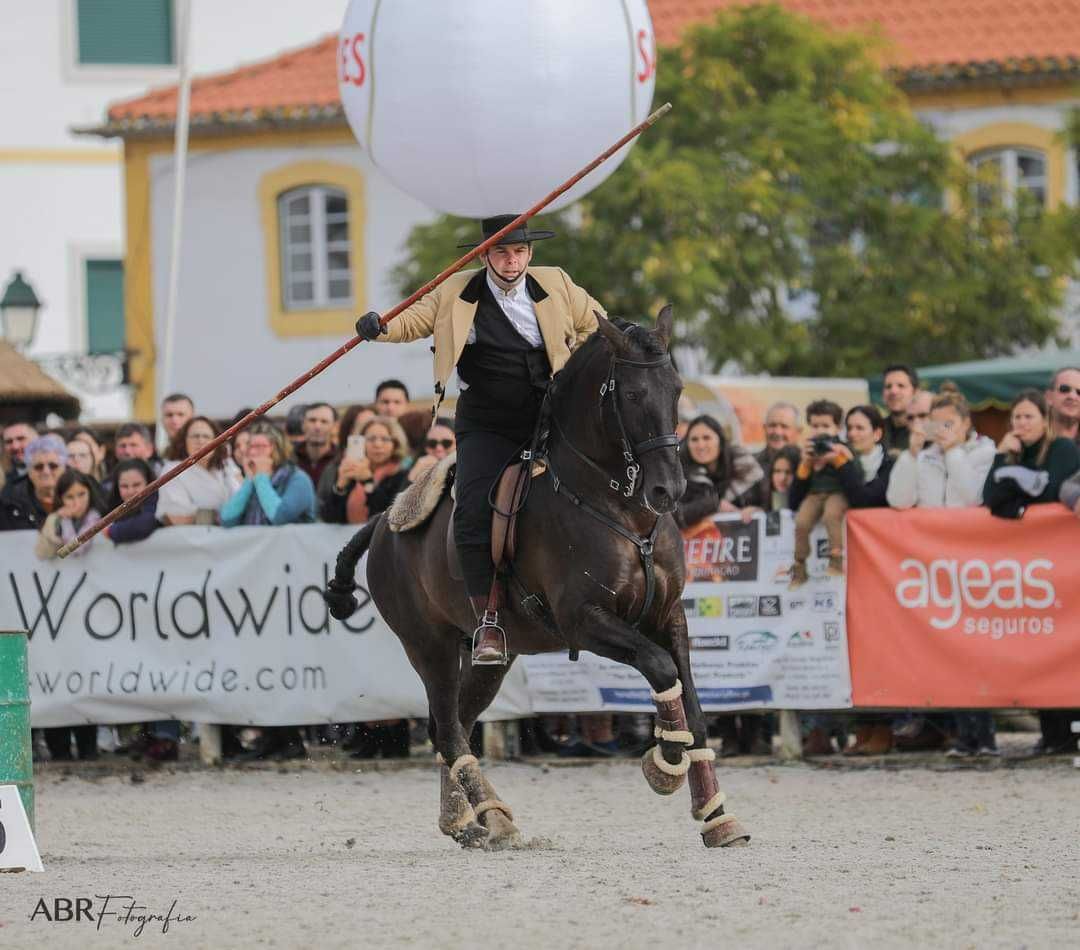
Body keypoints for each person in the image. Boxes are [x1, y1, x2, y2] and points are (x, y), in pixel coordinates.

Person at [354, 213, 602, 664]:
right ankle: (488, 618)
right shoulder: (456, 289)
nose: (512, 261)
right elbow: (413, 320)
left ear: (531, 253)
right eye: (503, 252)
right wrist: (380, 327)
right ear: (485, 254)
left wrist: (574, 365)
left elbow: (598, 325)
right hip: (486, 420)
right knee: (470, 509)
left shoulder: (557, 283)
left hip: (552, 413)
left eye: (520, 251)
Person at [886, 384, 998, 757]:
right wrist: (913, 453)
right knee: (951, 650)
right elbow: (899, 500)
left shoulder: (984, 451)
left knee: (978, 651)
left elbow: (971, 496)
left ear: (967, 423)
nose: (942, 430)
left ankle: (985, 736)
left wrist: (952, 452)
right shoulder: (925, 455)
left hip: (975, 565)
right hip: (934, 565)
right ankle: (963, 736)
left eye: (949, 423)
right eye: (937, 424)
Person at [220, 421, 314, 760]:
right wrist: (251, 481)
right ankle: (271, 734)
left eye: (260, 448)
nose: (252, 453)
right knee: (261, 658)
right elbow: (228, 518)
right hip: (257, 584)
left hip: (291, 583)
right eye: (249, 448)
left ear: (276, 449)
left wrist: (259, 478)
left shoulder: (296, 480)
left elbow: (279, 515)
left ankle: (291, 737)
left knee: (286, 656)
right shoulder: (252, 481)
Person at [789, 402, 894, 589]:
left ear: (877, 434)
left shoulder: (887, 463)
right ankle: (799, 565)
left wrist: (840, 461)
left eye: (860, 428)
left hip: (879, 555)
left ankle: (836, 557)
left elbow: (862, 499)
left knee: (831, 514)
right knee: (801, 521)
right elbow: (793, 502)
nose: (853, 434)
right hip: (849, 563)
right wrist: (805, 464)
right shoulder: (812, 451)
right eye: (850, 428)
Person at [983, 389, 1080, 519]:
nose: (1022, 423)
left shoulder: (1062, 447)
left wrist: (1014, 507)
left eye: (1028, 417)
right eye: (1017, 417)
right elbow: (990, 497)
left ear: (1045, 421)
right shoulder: (1012, 453)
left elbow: (1050, 494)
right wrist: (1000, 453)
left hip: (1060, 534)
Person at [674, 414, 765, 530]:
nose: (700, 445)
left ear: (720, 440)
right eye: (694, 439)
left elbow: (768, 505)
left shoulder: (746, 468)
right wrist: (713, 504)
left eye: (706, 438)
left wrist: (757, 511)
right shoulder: (680, 475)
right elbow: (673, 516)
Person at [318, 416, 410, 524]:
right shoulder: (351, 472)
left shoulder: (402, 476)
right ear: (361, 443)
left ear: (395, 444)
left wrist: (368, 481)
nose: (377, 444)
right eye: (371, 439)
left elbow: (385, 516)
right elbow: (329, 518)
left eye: (385, 439)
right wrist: (340, 486)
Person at [157, 416, 241, 526]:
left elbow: (242, 494)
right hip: (193, 539)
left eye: (206, 436)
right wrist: (222, 516)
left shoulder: (226, 466)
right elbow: (176, 517)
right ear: (184, 441)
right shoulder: (172, 470)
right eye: (195, 436)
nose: (201, 441)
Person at [0, 434, 66, 531]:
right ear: (29, 471)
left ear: (64, 468)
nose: (46, 472)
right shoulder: (8, 504)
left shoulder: (81, 495)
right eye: (39, 467)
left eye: (53, 466)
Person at [104, 459, 159, 543]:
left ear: (148, 483)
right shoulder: (112, 502)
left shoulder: (157, 500)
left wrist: (111, 531)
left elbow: (145, 524)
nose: (131, 492)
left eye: (137, 485)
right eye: (124, 486)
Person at [294, 402, 338, 487]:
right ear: (303, 425)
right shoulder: (288, 459)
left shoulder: (342, 460)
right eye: (312, 420)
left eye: (324, 421)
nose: (317, 426)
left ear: (335, 427)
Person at [881, 364, 918, 455]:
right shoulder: (876, 429)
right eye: (888, 386)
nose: (893, 391)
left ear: (915, 392)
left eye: (901, 386)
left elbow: (950, 425)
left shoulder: (929, 428)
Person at [408, 417, 457, 483]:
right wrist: (413, 475)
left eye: (446, 443)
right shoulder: (413, 468)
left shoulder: (466, 473)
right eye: (432, 443)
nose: (439, 448)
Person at [755, 402, 801, 470]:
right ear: (764, 428)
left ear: (798, 431)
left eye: (784, 426)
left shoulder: (807, 464)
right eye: (772, 425)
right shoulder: (751, 464)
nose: (777, 432)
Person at [1047, 366, 1080, 442]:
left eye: (1079, 392)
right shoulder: (1031, 442)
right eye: (1064, 389)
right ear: (1049, 397)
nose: (1072, 396)